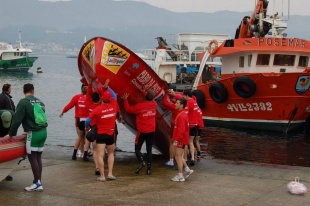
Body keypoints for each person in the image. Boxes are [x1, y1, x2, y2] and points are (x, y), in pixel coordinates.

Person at [4, 83, 48, 191]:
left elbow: (17, 120)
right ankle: (38, 182)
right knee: (38, 157)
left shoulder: (23, 102)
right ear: (33, 91)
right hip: (43, 132)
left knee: (32, 157)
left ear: (24, 92)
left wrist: (11, 134)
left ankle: (37, 183)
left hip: (33, 134)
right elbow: (39, 118)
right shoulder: (40, 102)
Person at [85, 90, 119, 181]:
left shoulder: (98, 109)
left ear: (102, 99)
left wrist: (86, 127)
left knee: (100, 155)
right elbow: (114, 95)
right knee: (111, 153)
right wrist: (107, 87)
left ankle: (102, 176)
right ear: (110, 99)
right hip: (111, 134)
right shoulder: (114, 104)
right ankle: (110, 174)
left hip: (101, 134)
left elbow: (88, 120)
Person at [122, 90, 157, 175]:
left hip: (142, 131)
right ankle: (149, 169)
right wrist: (145, 92)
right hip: (151, 131)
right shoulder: (154, 104)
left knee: (137, 149)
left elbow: (128, 109)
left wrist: (125, 99)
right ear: (152, 98)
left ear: (146, 97)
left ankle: (142, 162)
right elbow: (150, 99)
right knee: (149, 150)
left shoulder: (139, 106)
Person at [59, 84, 88, 160]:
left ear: (81, 89)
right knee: (87, 136)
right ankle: (86, 151)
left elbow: (69, 106)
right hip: (88, 119)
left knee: (80, 136)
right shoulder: (89, 98)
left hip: (78, 119)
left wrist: (63, 111)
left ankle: (81, 152)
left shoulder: (76, 97)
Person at [171, 98, 193, 182]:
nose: (175, 104)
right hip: (182, 139)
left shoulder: (181, 116)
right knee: (179, 156)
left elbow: (181, 130)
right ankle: (187, 169)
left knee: (178, 157)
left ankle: (180, 175)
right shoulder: (182, 114)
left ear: (182, 105)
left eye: (177, 103)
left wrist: (176, 140)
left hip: (180, 139)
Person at [162, 87, 182, 167]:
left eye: (173, 98)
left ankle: (171, 160)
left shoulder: (174, 107)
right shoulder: (184, 105)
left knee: (172, 143)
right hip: (183, 126)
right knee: (183, 143)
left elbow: (164, 103)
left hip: (175, 126)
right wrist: (173, 94)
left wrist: (166, 94)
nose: (172, 99)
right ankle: (184, 159)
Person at [0, 83, 15, 181]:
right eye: (10, 88)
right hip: (5, 126)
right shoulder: (7, 99)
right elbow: (11, 112)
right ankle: (6, 173)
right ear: (8, 90)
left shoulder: (0, 96)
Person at [183, 89, 200, 166]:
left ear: (187, 95)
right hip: (196, 124)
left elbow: (185, 113)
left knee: (186, 143)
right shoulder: (194, 102)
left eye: (184, 96)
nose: (183, 97)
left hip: (190, 124)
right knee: (191, 142)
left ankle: (186, 159)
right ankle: (193, 158)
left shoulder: (189, 102)